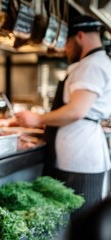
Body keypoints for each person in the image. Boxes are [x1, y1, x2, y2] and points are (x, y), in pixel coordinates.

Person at [15, 15, 111, 219]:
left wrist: (38, 119)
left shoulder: (91, 66)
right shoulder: (95, 63)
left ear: (80, 36)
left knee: (80, 219)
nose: (65, 50)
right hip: (79, 153)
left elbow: (77, 110)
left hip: (80, 158)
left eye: (66, 43)